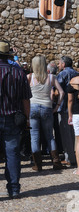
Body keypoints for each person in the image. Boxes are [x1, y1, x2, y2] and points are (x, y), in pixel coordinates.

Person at [0, 40, 32, 198]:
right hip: (12, 116)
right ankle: (13, 188)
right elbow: (26, 99)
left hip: (10, 115)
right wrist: (27, 119)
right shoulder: (18, 72)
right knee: (12, 153)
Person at [28, 55, 65, 171]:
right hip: (47, 107)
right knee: (50, 135)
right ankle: (56, 162)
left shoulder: (29, 77)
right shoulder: (51, 77)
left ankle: (37, 165)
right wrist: (57, 106)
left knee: (34, 136)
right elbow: (62, 92)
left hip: (33, 107)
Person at [57, 55, 78, 167]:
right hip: (75, 106)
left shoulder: (63, 74)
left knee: (65, 134)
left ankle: (69, 158)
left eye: (59, 63)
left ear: (64, 64)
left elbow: (56, 89)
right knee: (72, 133)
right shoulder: (76, 73)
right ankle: (71, 155)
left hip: (64, 105)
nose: (58, 65)